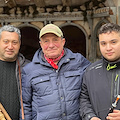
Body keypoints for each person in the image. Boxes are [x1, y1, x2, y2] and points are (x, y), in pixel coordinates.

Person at [21, 23, 91, 120]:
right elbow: (25, 105)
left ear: (63, 42)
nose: (51, 45)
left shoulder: (78, 61)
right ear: (41, 44)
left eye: (55, 40)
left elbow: (94, 84)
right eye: (46, 41)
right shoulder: (29, 70)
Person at [80, 23, 120, 120]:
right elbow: (84, 100)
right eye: (103, 43)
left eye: (113, 42)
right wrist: (90, 117)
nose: (108, 48)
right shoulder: (90, 71)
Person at [0, 25, 29, 120]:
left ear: (19, 44)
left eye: (14, 42)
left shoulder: (29, 68)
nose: (10, 46)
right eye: (6, 42)